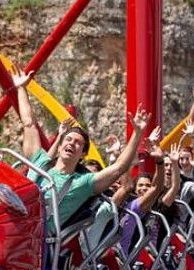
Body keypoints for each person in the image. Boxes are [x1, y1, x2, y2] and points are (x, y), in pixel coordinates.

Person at [13, 68, 150, 234]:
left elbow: (119, 168)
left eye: (78, 143)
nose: (71, 143)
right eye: (68, 140)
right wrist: (21, 88)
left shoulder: (83, 183)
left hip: (36, 240)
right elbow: (29, 123)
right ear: (61, 145)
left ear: (83, 154)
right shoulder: (40, 161)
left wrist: (137, 134)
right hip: (13, 223)